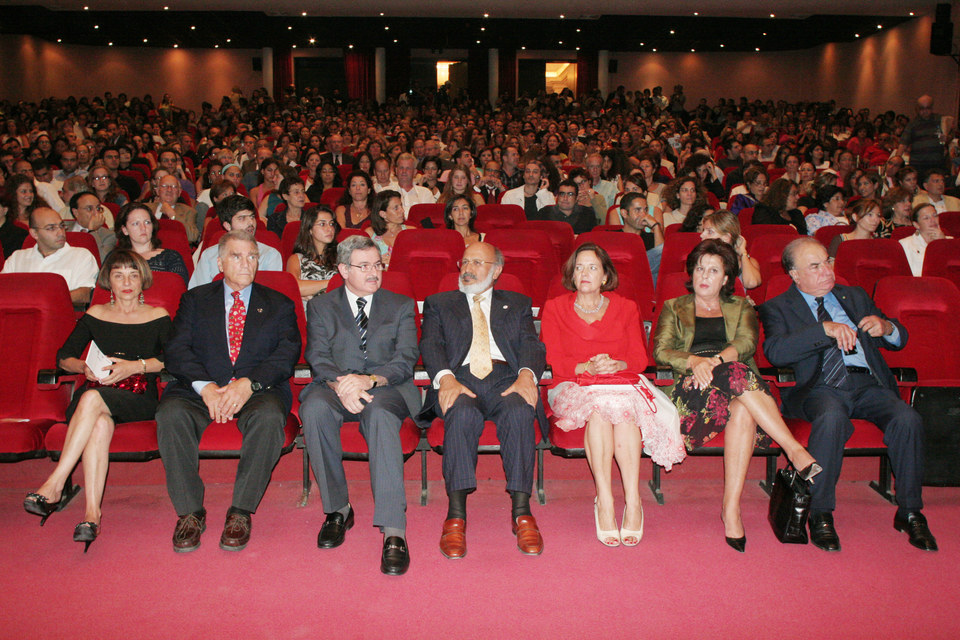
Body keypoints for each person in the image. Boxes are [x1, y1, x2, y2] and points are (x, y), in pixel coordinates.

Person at [760, 237, 936, 552]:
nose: (827, 270)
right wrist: (822, 330)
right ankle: (821, 512)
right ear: (795, 275)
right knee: (831, 416)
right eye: (815, 266)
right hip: (820, 387)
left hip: (867, 383)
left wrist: (887, 328)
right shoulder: (778, 307)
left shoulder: (853, 296)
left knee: (907, 418)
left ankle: (910, 511)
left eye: (827, 262)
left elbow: (900, 337)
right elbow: (775, 352)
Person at [653, 239, 821, 552]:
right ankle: (794, 450)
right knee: (736, 374)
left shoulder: (742, 306)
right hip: (690, 394)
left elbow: (745, 344)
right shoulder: (673, 307)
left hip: (736, 388)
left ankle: (731, 509)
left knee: (741, 400)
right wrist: (695, 362)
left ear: (726, 278)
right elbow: (661, 351)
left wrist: (715, 361)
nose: (704, 275)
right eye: (700, 268)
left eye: (713, 270)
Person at [156, 229, 301, 553]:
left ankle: (241, 511)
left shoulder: (278, 304)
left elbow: (287, 353)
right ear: (219, 261)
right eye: (237, 256)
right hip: (200, 387)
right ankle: (190, 512)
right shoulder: (195, 300)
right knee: (170, 413)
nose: (246, 263)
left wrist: (248, 385)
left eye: (252, 257)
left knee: (267, 418)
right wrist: (206, 388)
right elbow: (177, 350)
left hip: (257, 387)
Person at [22, 250, 172, 551]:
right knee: (99, 423)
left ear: (143, 280)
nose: (126, 281)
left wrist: (135, 366)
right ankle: (92, 516)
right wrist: (83, 368)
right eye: (118, 275)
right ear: (109, 282)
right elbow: (63, 357)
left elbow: (174, 361)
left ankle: (55, 482)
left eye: (133, 275)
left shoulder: (158, 316)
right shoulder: (96, 315)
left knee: (90, 399)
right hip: (98, 390)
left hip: (138, 395)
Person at [541, 244, 685, 547]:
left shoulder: (626, 307)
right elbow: (551, 359)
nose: (584, 273)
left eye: (592, 267)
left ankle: (633, 501)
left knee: (621, 410)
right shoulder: (554, 307)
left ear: (606, 276)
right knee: (599, 409)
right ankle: (605, 499)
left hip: (618, 383)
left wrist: (617, 364)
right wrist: (586, 366)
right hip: (572, 384)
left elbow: (638, 358)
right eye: (579, 267)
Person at [298, 235, 419, 575]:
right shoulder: (321, 306)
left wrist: (368, 381)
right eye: (363, 266)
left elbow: (405, 360)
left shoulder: (400, 304)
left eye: (377, 264)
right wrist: (342, 383)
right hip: (335, 385)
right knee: (314, 409)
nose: (373, 272)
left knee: (379, 414)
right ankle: (338, 509)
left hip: (385, 387)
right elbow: (317, 356)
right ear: (342, 269)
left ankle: (394, 530)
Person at [420, 241, 547, 559]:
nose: (468, 268)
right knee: (461, 415)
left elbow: (532, 344)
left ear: (496, 271)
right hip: (459, 380)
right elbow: (431, 343)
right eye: (465, 261)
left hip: (506, 379)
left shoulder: (516, 303)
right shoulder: (440, 302)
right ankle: (455, 517)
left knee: (520, 413)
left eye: (478, 262)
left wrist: (527, 375)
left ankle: (522, 513)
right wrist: (445, 378)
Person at [2, 207, 98, 306]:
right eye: (51, 228)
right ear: (34, 233)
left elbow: (86, 294)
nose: (60, 233)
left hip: (61, 315)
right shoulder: (17, 258)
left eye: (61, 226)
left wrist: (46, 301)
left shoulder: (81, 256)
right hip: (20, 315)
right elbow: (3, 288)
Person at [189, 195, 283, 288]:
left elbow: (272, 297)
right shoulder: (209, 255)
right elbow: (197, 293)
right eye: (242, 218)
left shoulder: (270, 255)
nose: (250, 222)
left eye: (252, 217)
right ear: (227, 225)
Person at [115, 202, 190, 285]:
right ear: (125, 230)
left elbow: (179, 290)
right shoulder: (115, 259)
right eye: (136, 223)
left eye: (147, 222)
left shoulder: (171, 258)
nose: (143, 228)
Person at [286, 205, 339, 303]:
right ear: (309, 229)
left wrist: (311, 290)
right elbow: (294, 287)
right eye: (322, 224)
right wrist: (333, 283)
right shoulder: (297, 259)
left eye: (331, 224)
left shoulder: (341, 256)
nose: (329, 229)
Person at [699, 211, 761, 290]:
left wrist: (743, 253)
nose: (701, 235)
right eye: (703, 230)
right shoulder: (698, 260)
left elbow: (751, 283)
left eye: (710, 232)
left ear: (726, 238)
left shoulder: (748, 262)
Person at [893, 95, 951, 175]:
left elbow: (950, 135)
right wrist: (897, 161)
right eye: (921, 108)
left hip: (937, 163)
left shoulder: (940, 120)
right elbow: (903, 143)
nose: (924, 111)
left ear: (932, 108)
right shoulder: (912, 124)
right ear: (917, 109)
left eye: (927, 108)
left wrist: (947, 138)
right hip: (918, 164)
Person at [899, 203, 950, 276]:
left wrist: (942, 243)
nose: (933, 220)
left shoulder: (951, 242)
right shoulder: (905, 245)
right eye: (926, 218)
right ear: (916, 224)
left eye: (935, 216)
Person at [365, 189, 412, 268]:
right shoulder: (370, 234)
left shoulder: (411, 232)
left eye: (401, 206)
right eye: (396, 208)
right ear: (383, 214)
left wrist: (396, 261)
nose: (402, 211)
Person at [149, 173, 199, 244]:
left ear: (179, 192)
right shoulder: (145, 209)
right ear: (157, 191)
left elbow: (192, 237)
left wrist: (173, 215)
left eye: (174, 187)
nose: (169, 190)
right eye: (164, 186)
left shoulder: (189, 212)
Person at [68, 192, 117, 261]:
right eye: (89, 208)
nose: (96, 213)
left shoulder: (109, 235)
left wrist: (92, 231)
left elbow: (103, 261)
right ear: (76, 212)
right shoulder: (63, 228)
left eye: (98, 208)